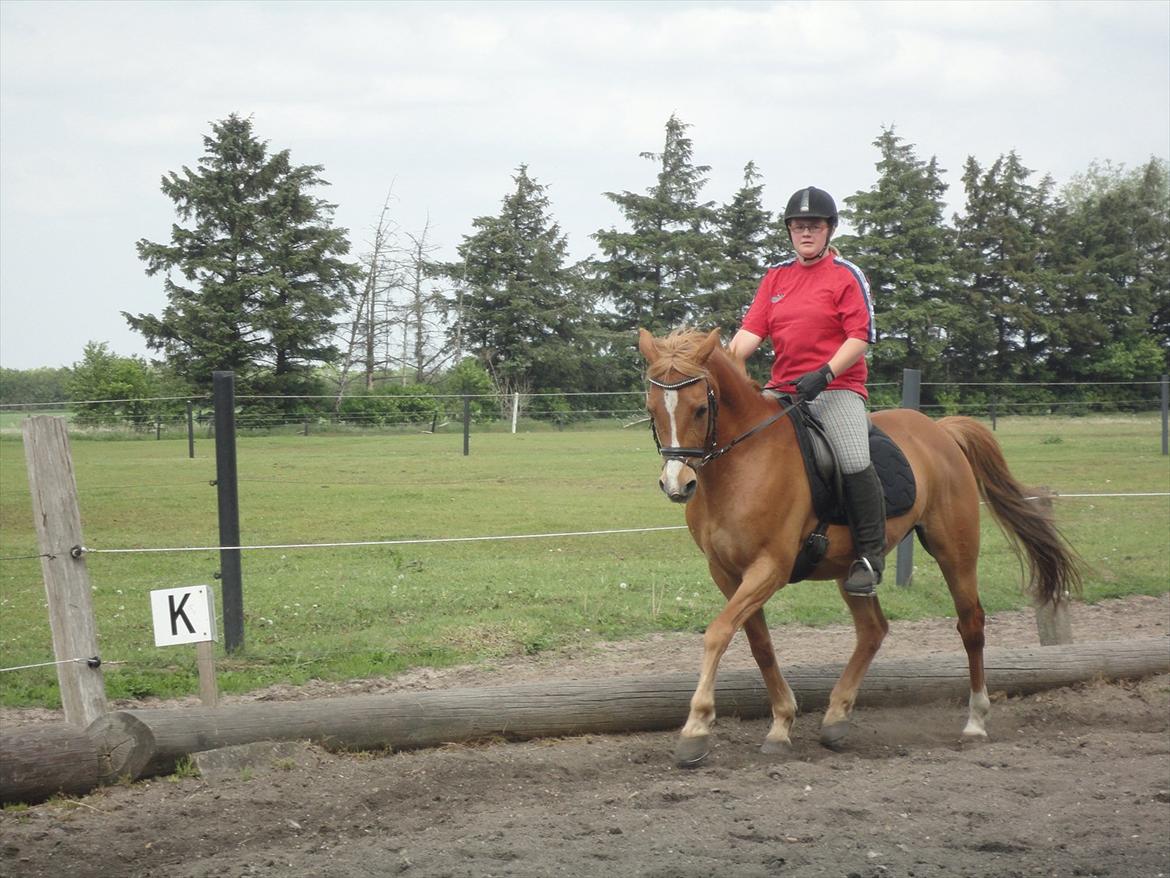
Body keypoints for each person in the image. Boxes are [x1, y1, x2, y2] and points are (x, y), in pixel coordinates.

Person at [727, 186, 885, 596]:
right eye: (799, 227)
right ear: (790, 232)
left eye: (814, 226)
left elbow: (861, 336)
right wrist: (729, 361)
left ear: (830, 229)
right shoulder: (776, 277)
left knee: (852, 457)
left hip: (837, 388)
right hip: (782, 390)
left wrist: (826, 373)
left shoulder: (846, 275)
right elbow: (750, 333)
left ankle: (869, 556)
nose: (806, 233)